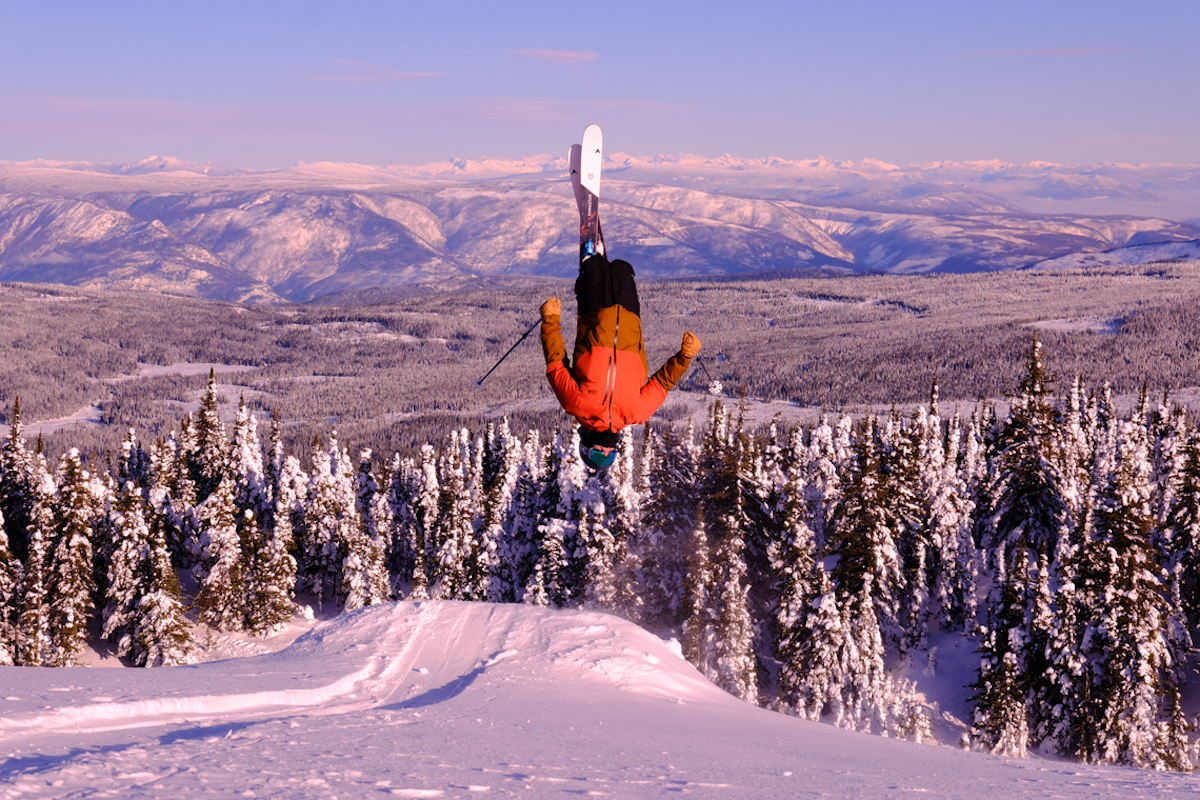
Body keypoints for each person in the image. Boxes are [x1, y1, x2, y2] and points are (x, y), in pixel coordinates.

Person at [540, 252, 701, 469]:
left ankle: (590, 264)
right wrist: (684, 358)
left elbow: (556, 363)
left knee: (595, 265)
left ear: (586, 446)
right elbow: (663, 382)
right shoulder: (637, 413)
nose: (605, 452)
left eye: (599, 456)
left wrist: (550, 322)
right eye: (610, 457)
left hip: (595, 314)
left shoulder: (576, 405)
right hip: (629, 318)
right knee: (623, 268)